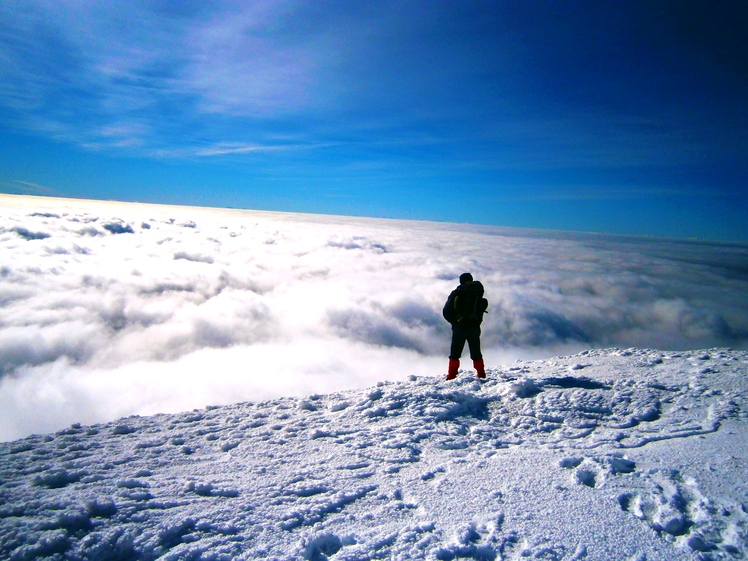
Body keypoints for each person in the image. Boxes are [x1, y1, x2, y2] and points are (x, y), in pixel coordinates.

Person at [442, 272, 488, 380]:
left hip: (459, 328)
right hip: (474, 327)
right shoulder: (477, 292)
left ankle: (451, 375)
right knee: (476, 352)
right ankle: (481, 374)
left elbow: (446, 311)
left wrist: (455, 321)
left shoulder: (457, 292)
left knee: (455, 353)